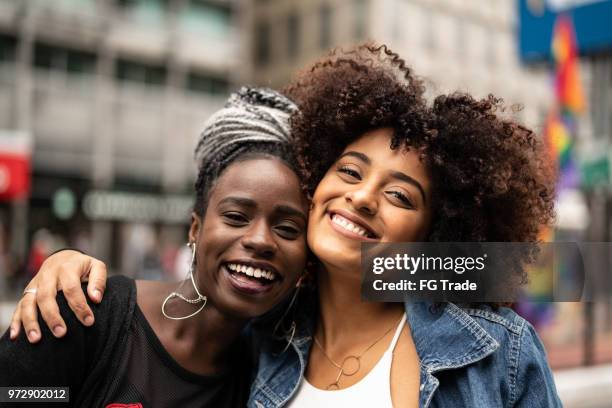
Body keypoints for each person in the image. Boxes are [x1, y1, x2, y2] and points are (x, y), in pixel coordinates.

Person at [8, 44, 561, 407]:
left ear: (433, 231)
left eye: (398, 194)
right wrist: (64, 266)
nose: (363, 197)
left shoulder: (493, 352)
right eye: (348, 170)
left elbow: (562, 273)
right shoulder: (265, 342)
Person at [0, 87, 311, 407]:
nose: (260, 240)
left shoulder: (269, 379)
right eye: (236, 217)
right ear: (195, 228)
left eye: (287, 228)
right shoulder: (83, 312)